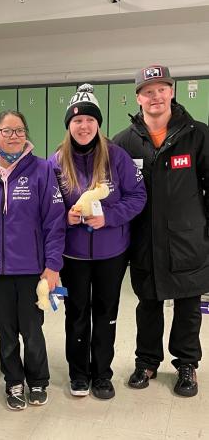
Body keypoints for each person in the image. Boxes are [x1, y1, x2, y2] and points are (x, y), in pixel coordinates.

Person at [113, 64, 209, 397]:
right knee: (148, 303)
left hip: (188, 240)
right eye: (148, 91)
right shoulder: (124, 143)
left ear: (172, 92)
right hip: (144, 240)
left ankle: (186, 365)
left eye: (161, 88)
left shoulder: (198, 135)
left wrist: (203, 228)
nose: (156, 96)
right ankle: (147, 361)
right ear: (138, 97)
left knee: (188, 305)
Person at [49, 84, 146, 400]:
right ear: (69, 125)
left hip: (111, 253)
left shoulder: (117, 156)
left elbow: (137, 195)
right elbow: (47, 206)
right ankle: (79, 374)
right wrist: (66, 216)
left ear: (98, 123)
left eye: (90, 120)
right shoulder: (56, 162)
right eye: (77, 121)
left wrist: (108, 215)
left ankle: (102, 374)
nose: (84, 126)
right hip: (73, 255)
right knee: (76, 313)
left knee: (106, 312)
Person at [0, 110, 66, 410]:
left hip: (30, 269)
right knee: (6, 331)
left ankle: (38, 380)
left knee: (32, 330)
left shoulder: (41, 170)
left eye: (19, 130)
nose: (14, 136)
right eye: (7, 131)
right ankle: (13, 381)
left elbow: (55, 222)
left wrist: (52, 266)